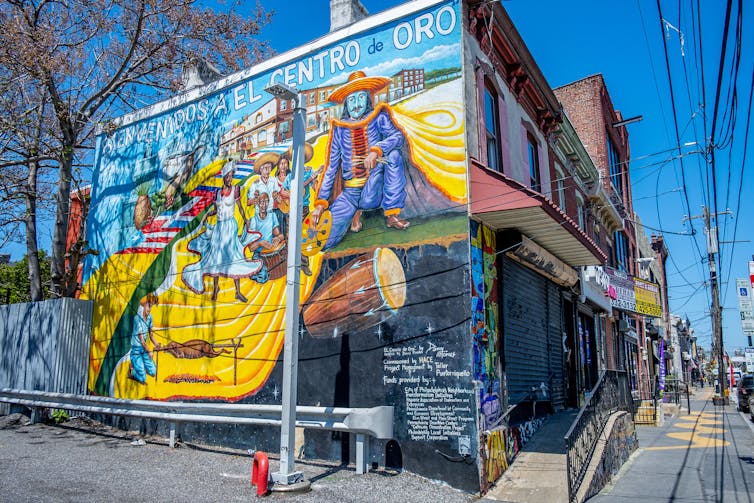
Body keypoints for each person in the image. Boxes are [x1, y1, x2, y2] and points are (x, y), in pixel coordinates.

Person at [310, 70, 410, 249]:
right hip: (350, 194)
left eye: (360, 98)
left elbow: (397, 137)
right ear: (346, 104)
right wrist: (320, 204)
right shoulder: (339, 129)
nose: (356, 104)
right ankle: (306, 253)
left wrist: (377, 151)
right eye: (352, 99)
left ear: (368, 98)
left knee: (394, 156)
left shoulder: (379, 117)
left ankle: (391, 215)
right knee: (323, 237)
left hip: (374, 186)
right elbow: (331, 168)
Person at [182, 160, 264, 302]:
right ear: (224, 177)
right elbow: (216, 210)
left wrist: (245, 220)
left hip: (230, 227)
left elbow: (239, 207)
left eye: (231, 176)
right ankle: (215, 289)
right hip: (219, 228)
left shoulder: (235, 190)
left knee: (233, 259)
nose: (229, 179)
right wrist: (208, 215)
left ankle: (238, 292)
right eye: (227, 176)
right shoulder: (217, 193)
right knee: (216, 258)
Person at [280, 142, 320, 276]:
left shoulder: (309, 171)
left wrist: (315, 180)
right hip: (291, 210)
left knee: (304, 237)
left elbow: (315, 187)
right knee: (290, 238)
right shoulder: (289, 176)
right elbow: (283, 192)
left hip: (303, 209)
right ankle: (291, 266)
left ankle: (304, 265)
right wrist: (291, 194)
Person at [129, 293, 160, 384]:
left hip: (144, 350)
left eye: (151, 306)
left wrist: (156, 344)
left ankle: (140, 366)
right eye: (149, 306)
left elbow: (151, 335)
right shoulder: (137, 319)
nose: (150, 309)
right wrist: (149, 351)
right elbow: (142, 340)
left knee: (153, 372)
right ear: (144, 305)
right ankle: (132, 370)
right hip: (137, 350)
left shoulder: (150, 318)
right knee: (142, 379)